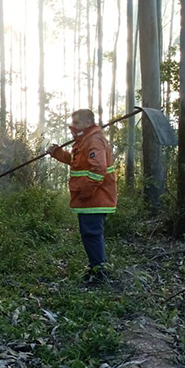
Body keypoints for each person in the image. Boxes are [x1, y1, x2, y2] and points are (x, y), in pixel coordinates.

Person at [47, 109, 116, 282]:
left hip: (95, 198)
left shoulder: (94, 140)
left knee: (91, 234)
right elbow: (77, 162)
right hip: (90, 198)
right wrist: (57, 153)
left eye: (77, 122)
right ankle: (96, 268)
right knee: (90, 234)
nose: (73, 125)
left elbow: (98, 168)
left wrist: (86, 191)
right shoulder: (84, 140)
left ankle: (100, 273)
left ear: (88, 123)